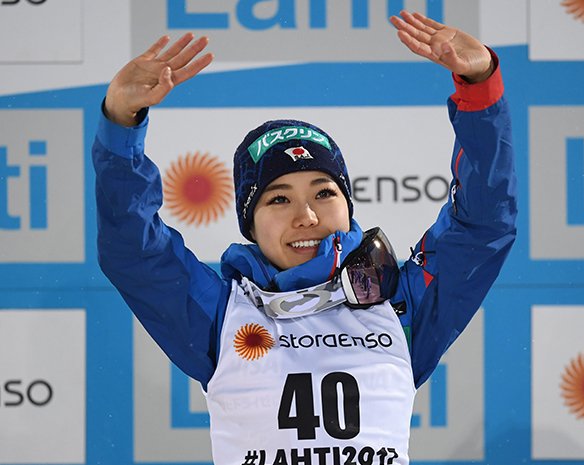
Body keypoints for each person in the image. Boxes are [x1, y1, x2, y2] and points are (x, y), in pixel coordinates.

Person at [93, 10, 517, 465]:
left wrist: (480, 89)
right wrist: (121, 122)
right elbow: (133, 249)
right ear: (249, 224)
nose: (307, 215)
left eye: (324, 192)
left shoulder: (400, 302)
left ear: (348, 206)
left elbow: (483, 225)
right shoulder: (220, 313)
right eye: (278, 199)